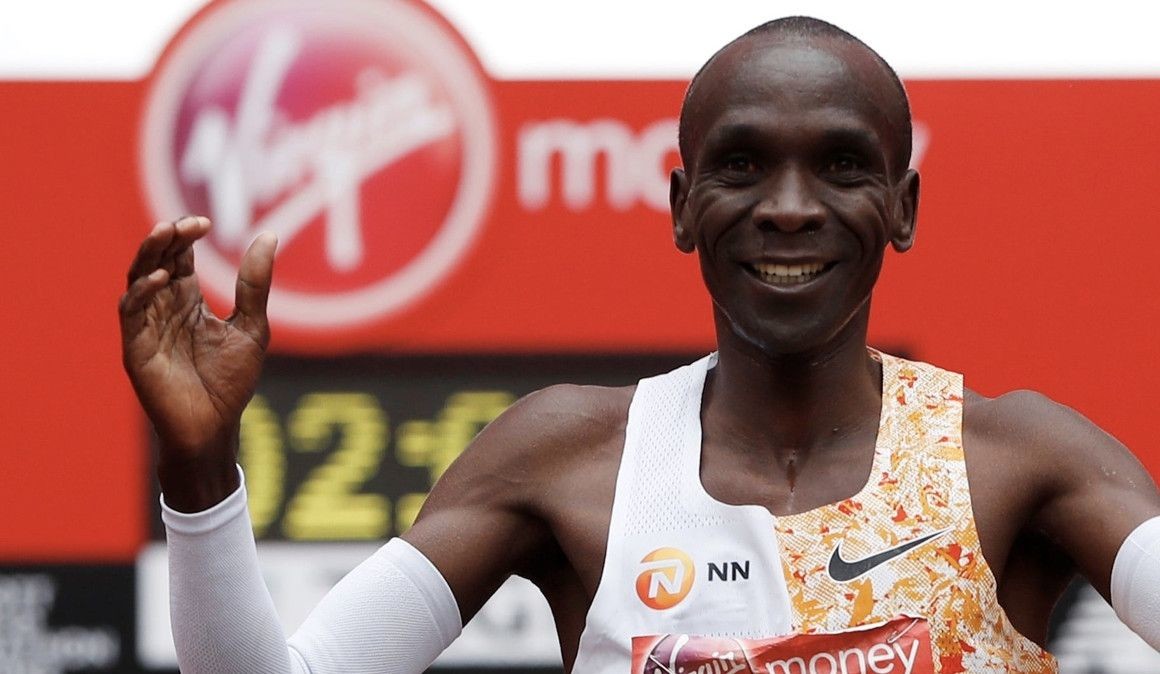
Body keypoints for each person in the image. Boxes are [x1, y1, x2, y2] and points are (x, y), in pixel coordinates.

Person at [119, 16, 1160, 674]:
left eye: (842, 166)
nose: (788, 207)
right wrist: (199, 468)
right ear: (680, 206)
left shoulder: (1016, 458)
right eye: (741, 165)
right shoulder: (570, 457)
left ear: (902, 207)